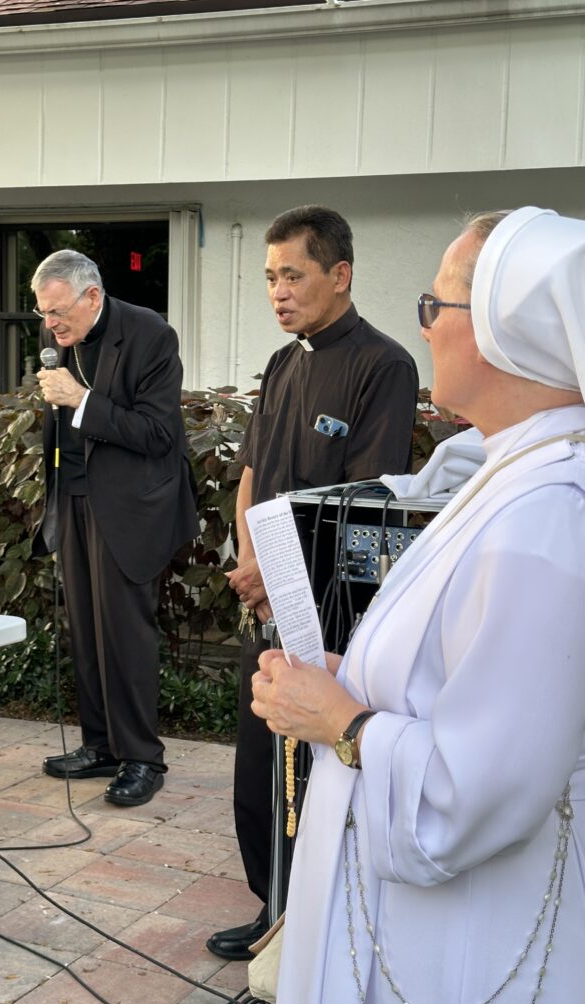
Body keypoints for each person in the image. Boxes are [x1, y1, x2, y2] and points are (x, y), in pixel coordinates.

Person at [252, 206, 585, 1004]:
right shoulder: (511, 472)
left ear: (508, 330)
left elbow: (471, 793)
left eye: (437, 306)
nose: (427, 327)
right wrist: (348, 680)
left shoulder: (546, 517)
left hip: (457, 952)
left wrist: (346, 723)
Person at [207, 205, 418, 960]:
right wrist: (249, 552)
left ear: (340, 274)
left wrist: (276, 568)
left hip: (329, 618)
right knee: (256, 775)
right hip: (266, 598)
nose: (278, 291)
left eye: (292, 274)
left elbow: (362, 502)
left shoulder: (383, 366)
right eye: (269, 277)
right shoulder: (283, 363)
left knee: (311, 784)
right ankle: (271, 908)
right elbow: (254, 473)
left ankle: (308, 931)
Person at [33, 250, 199, 807]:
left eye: (58, 312)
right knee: (86, 628)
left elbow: (158, 434)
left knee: (125, 634)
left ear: (93, 297)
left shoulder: (149, 335)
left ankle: (142, 758)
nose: (51, 325)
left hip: (130, 505)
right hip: (76, 496)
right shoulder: (65, 343)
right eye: (43, 315)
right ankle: (101, 745)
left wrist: (81, 402)